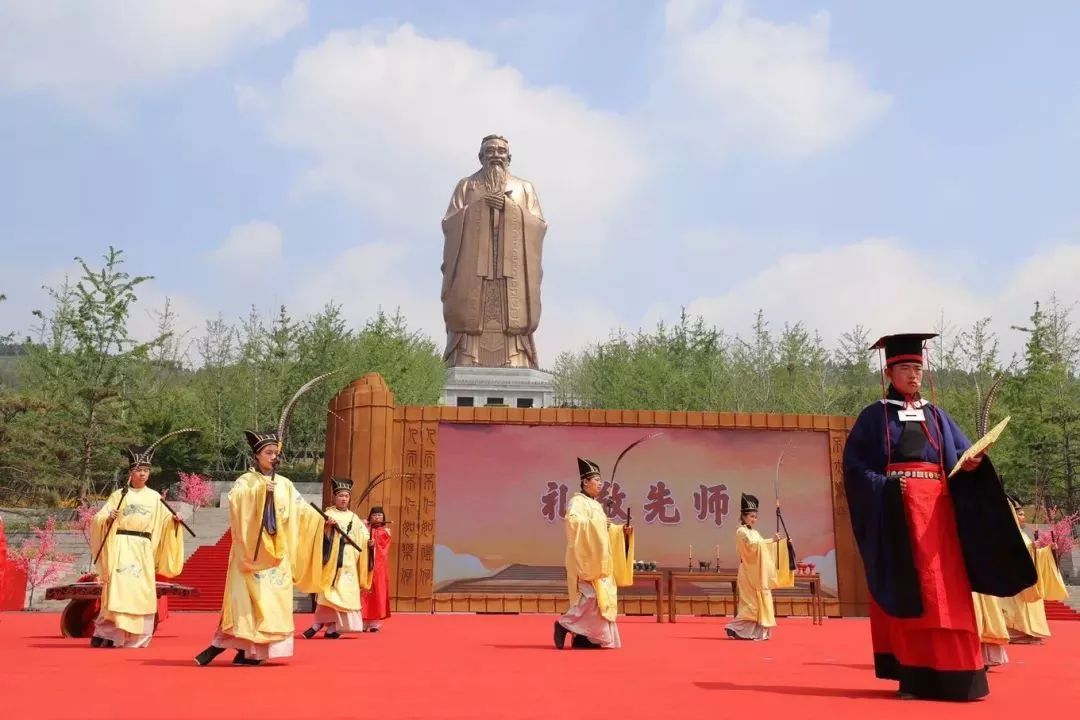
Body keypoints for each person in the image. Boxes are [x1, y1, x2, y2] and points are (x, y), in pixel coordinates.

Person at [843, 333, 1035, 701]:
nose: (913, 375)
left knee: (947, 593)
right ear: (890, 372)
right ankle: (915, 678)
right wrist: (884, 486)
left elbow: (960, 456)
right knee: (914, 592)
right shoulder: (873, 417)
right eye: (905, 368)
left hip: (940, 518)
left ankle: (960, 676)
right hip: (900, 516)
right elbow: (853, 469)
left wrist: (974, 463)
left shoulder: (937, 416)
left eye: (917, 368)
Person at [194, 430, 326, 665]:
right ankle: (234, 645)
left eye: (276, 452)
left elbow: (302, 512)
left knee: (271, 601)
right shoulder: (246, 481)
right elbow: (236, 502)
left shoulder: (285, 484)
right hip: (251, 551)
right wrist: (260, 491)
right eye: (268, 452)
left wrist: (323, 520)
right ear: (257, 456)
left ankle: (255, 651)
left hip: (278, 552)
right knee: (245, 603)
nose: (273, 456)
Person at [440, 134, 548, 368]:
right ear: (480, 156)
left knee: (512, 313)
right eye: (490, 151)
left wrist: (509, 209)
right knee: (471, 310)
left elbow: (539, 225)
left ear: (509, 157)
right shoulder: (467, 186)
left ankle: (516, 358)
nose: (495, 155)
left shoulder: (524, 188)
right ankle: (468, 357)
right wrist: (478, 208)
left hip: (512, 272)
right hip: (473, 268)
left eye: (500, 151)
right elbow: (449, 223)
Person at [89, 436, 189, 648]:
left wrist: (174, 521)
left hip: (143, 548)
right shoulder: (119, 494)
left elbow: (164, 521)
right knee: (118, 588)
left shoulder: (155, 497)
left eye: (146, 470)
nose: (142, 473)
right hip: (121, 544)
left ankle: (137, 636)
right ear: (130, 472)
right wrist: (108, 518)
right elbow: (99, 518)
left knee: (140, 590)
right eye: (138, 470)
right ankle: (110, 633)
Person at [553, 458, 634, 649]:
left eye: (600, 480)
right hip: (584, 559)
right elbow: (572, 524)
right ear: (585, 482)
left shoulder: (596, 505)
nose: (600, 483)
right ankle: (564, 624)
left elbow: (604, 531)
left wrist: (621, 531)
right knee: (590, 597)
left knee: (600, 599)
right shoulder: (577, 502)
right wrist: (598, 525)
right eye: (596, 479)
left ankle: (586, 638)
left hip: (597, 559)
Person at [304, 477, 370, 639]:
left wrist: (369, 540)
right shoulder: (327, 514)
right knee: (330, 592)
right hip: (332, 560)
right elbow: (315, 533)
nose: (343, 499)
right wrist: (326, 526)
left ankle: (332, 627)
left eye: (346, 496)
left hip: (348, 561)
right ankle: (321, 624)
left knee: (345, 592)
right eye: (340, 495)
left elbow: (363, 536)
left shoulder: (354, 518)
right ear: (335, 497)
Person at [1000, 496, 1069, 644]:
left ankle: (1031, 632)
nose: (1023, 517)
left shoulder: (1023, 534)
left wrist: (1047, 550)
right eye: (1020, 514)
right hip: (1014, 579)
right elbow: (1011, 554)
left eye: (1023, 514)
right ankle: (1017, 632)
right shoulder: (1007, 534)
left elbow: (1033, 554)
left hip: (1026, 577)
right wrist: (1031, 548)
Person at [725, 493, 789, 641]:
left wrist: (776, 543)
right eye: (751, 516)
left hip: (758, 572)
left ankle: (755, 632)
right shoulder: (741, 531)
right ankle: (734, 628)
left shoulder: (755, 532)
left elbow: (763, 548)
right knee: (751, 604)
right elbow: (753, 547)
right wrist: (770, 540)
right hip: (748, 572)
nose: (753, 519)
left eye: (755, 516)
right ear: (744, 517)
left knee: (760, 602)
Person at [361, 506, 392, 632]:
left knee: (377, 593)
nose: (377, 517)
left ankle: (374, 623)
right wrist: (361, 526)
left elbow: (383, 548)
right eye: (374, 515)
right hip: (364, 565)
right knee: (363, 592)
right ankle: (362, 621)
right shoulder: (364, 529)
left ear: (383, 518)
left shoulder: (385, 531)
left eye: (380, 515)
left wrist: (374, 544)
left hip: (379, 566)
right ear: (370, 517)